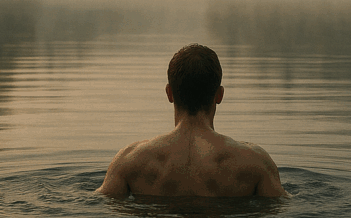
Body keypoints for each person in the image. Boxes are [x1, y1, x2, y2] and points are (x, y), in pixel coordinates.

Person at [97, 44, 287, 198]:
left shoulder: (130, 159)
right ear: (219, 95)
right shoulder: (255, 161)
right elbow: (280, 209)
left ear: (169, 93)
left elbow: (102, 205)